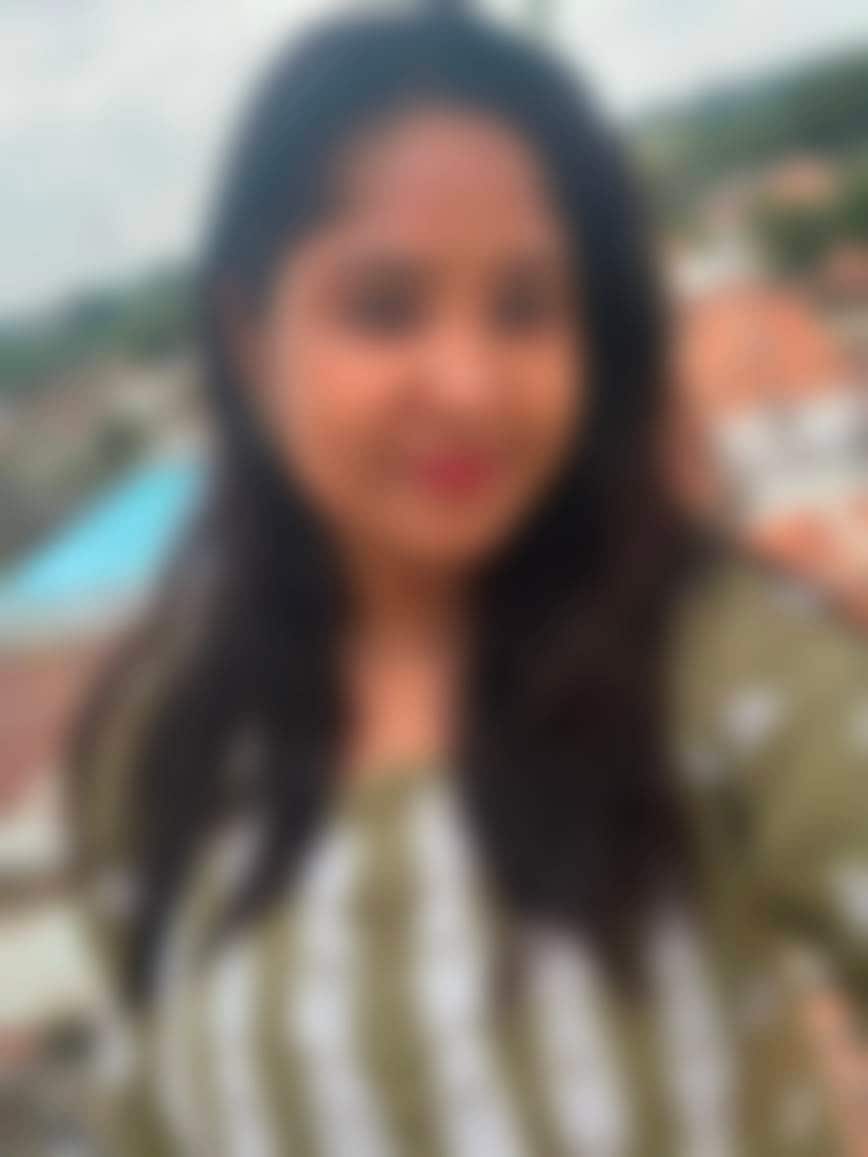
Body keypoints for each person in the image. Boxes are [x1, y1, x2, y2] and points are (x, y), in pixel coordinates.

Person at [68, 5, 868, 1155]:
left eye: (526, 308)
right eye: (385, 307)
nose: (468, 384)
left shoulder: (718, 670)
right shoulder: (157, 748)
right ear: (249, 336)